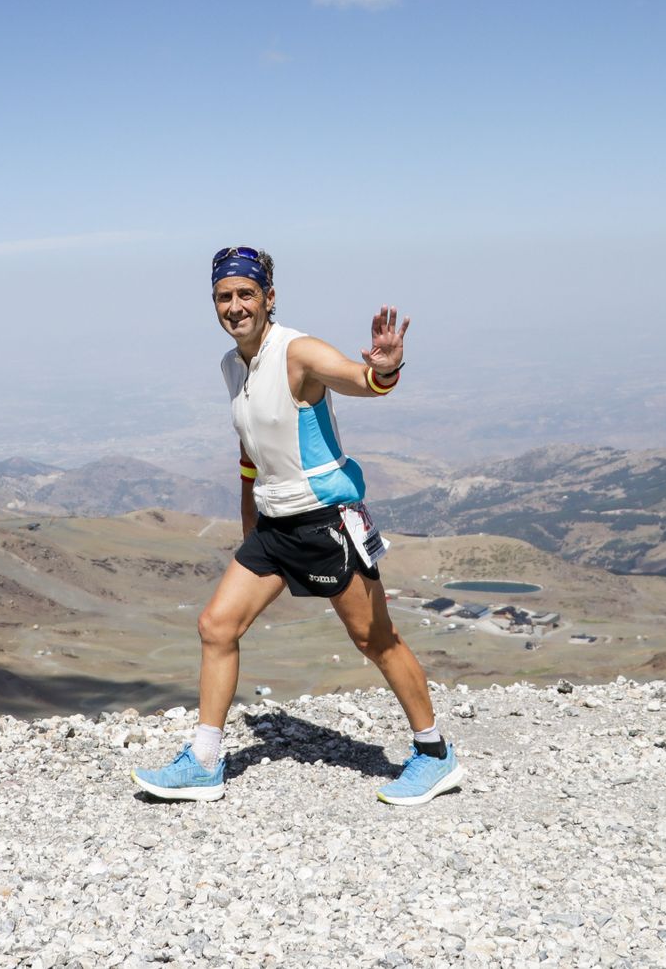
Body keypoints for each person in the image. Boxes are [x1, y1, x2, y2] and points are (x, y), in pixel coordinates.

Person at [132, 246, 463, 806]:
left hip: (326, 519)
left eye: (245, 294)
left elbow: (359, 380)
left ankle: (434, 755)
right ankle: (205, 762)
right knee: (217, 626)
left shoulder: (298, 352)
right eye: (223, 296)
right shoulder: (232, 365)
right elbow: (249, 450)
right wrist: (248, 529)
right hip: (274, 524)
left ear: (268, 298)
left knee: (373, 639)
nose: (234, 306)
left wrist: (383, 368)